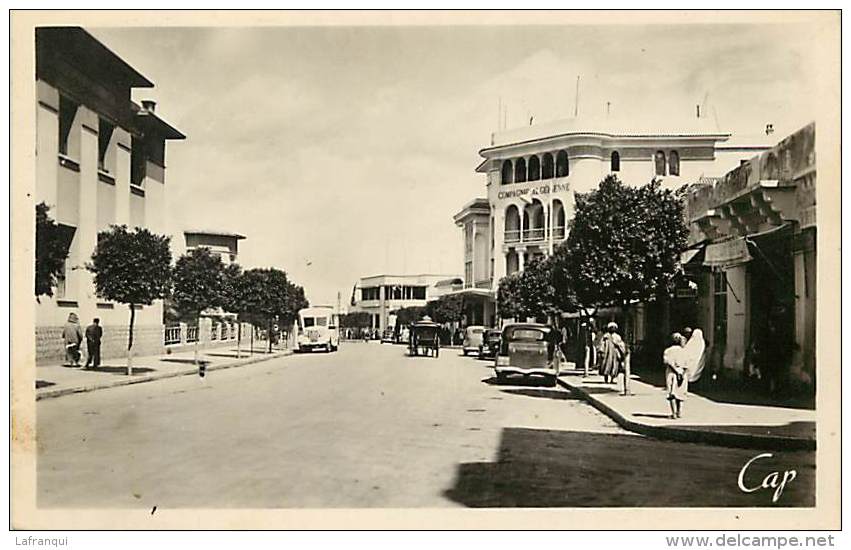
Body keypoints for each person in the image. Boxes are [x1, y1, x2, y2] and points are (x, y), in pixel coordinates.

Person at [664, 332, 687, 419]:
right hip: (682, 373)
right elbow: (687, 364)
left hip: (671, 373)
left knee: (672, 393)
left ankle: (673, 413)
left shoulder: (668, 351)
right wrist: (681, 372)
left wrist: (675, 370)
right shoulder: (684, 351)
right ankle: (679, 412)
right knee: (680, 393)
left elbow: (667, 362)